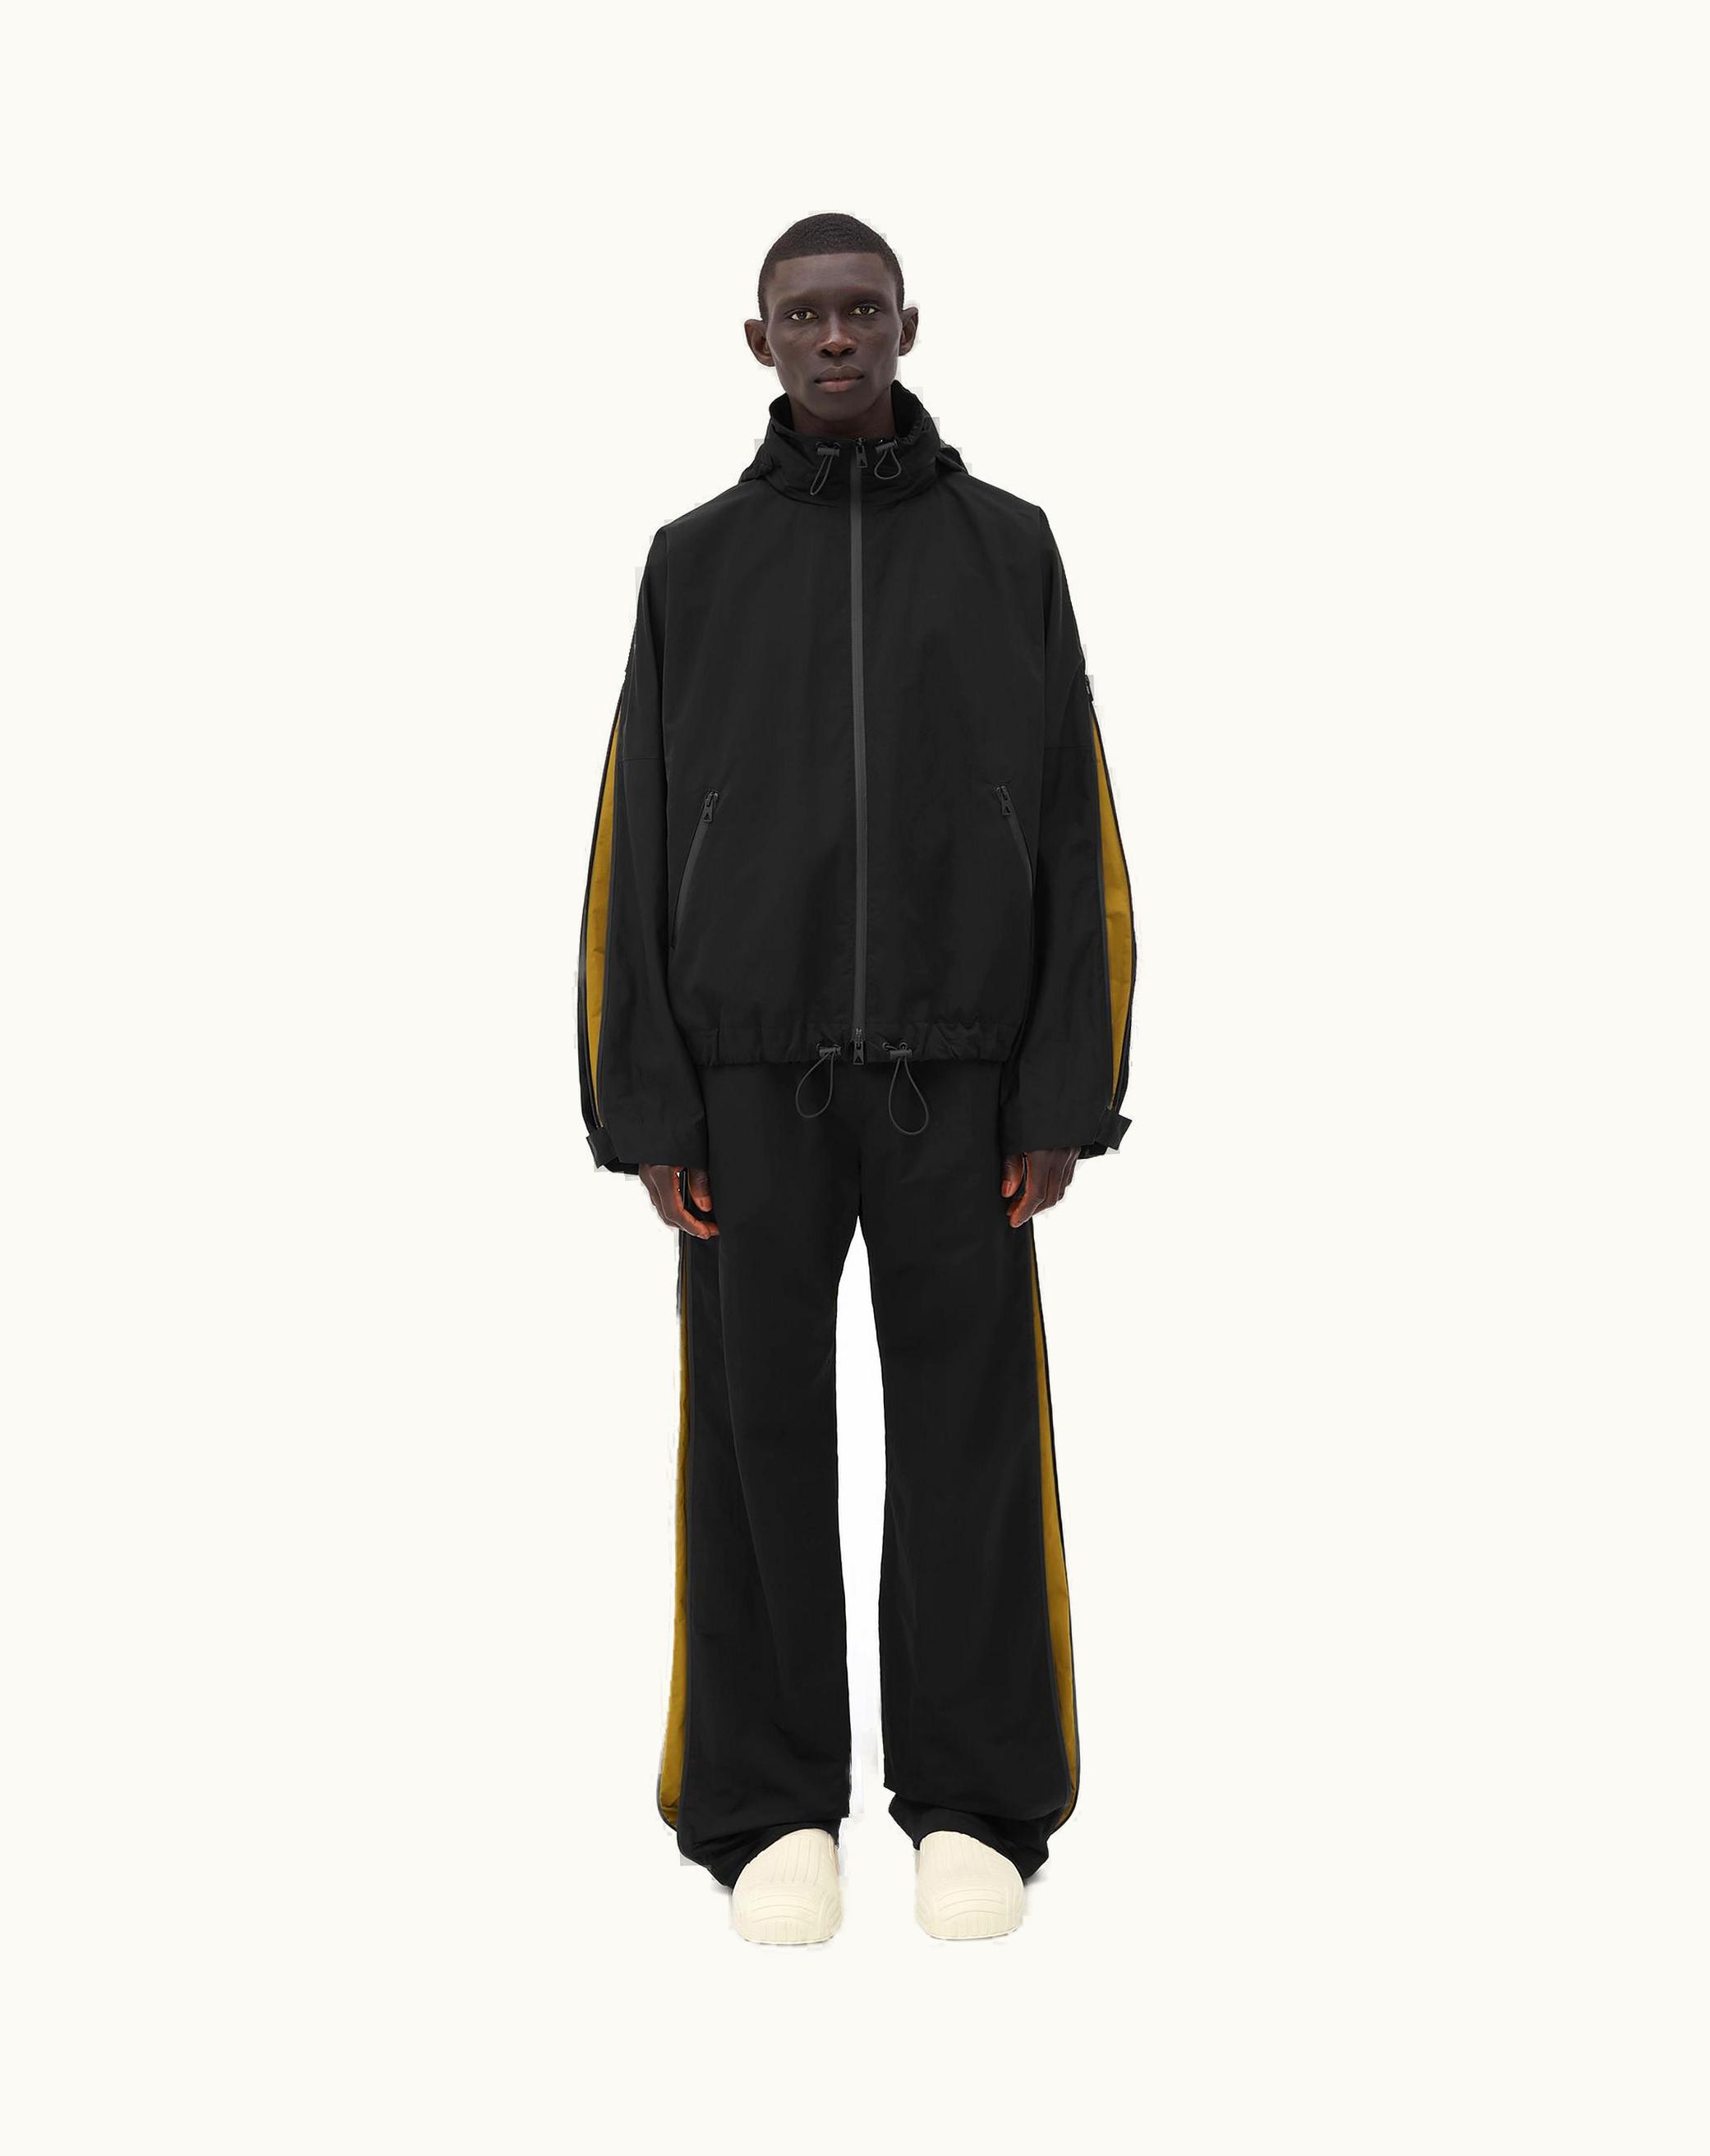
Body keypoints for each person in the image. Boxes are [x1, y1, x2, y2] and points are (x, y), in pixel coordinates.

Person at [576, 213, 1135, 1943]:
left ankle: (973, 1802)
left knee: (970, 1439)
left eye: (862, 311)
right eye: (804, 314)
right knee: (755, 1438)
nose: (836, 338)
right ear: (758, 341)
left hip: (959, 1086)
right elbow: (632, 831)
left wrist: (1059, 1089)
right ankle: (767, 1807)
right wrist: (648, 1102)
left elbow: (1073, 817)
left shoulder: (1007, 547)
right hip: (747, 1085)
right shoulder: (691, 562)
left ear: (908, 326)